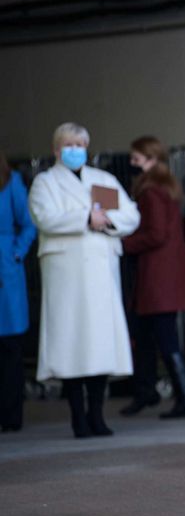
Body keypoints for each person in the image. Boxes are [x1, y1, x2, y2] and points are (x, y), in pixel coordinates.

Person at [28, 123, 140, 438]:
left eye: (80, 144)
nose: (75, 149)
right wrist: (84, 218)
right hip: (67, 274)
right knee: (71, 343)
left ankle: (97, 415)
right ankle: (78, 416)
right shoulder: (45, 182)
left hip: (101, 272)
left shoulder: (101, 181)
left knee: (99, 345)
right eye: (69, 144)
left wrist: (107, 222)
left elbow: (131, 214)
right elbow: (44, 216)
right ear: (56, 149)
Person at [120, 136, 185, 419]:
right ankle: (153, 392)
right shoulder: (168, 186)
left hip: (157, 277)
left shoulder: (150, 191)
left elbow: (155, 234)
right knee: (154, 335)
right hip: (169, 275)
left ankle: (184, 398)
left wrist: (122, 243)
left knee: (161, 338)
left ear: (150, 158)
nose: (132, 163)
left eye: (137, 157)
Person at [0, 151, 37, 432]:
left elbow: (28, 224)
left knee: (10, 348)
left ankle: (11, 415)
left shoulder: (11, 181)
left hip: (5, 268)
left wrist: (16, 253)